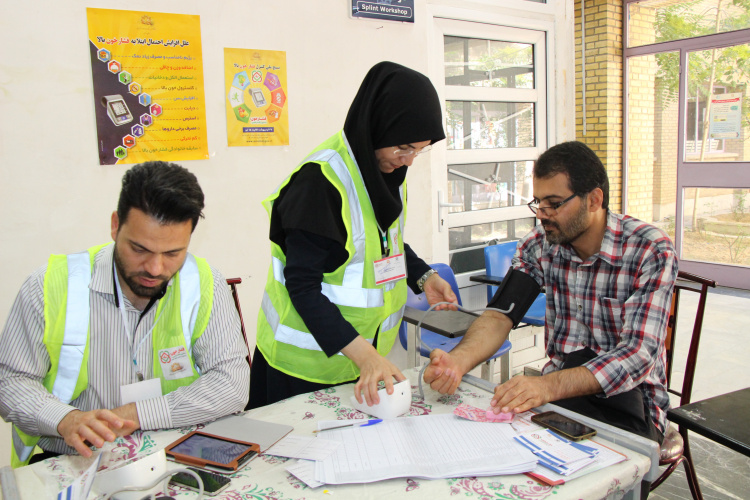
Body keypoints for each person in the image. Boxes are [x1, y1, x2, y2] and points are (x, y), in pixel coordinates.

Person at [424, 141, 678, 444]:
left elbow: (638, 355)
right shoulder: (539, 245)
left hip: (631, 403)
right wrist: (458, 361)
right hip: (563, 400)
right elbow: (499, 316)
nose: (541, 215)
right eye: (538, 202)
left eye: (554, 203)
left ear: (594, 200)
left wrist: (547, 386)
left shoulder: (649, 250)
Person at [0, 161, 250, 467]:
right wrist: (66, 419)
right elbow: (10, 380)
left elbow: (233, 383)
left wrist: (135, 414)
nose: (155, 269)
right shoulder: (49, 285)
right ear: (116, 225)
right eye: (140, 249)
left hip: (175, 454)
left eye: (173, 253)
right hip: (73, 458)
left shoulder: (204, 283)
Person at [251, 61, 457, 409]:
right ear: (377, 126)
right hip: (302, 369)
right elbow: (302, 286)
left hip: (359, 364)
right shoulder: (320, 183)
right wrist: (366, 355)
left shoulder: (384, 175)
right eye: (403, 147)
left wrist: (423, 277)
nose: (408, 161)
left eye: (419, 151)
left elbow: (381, 242)